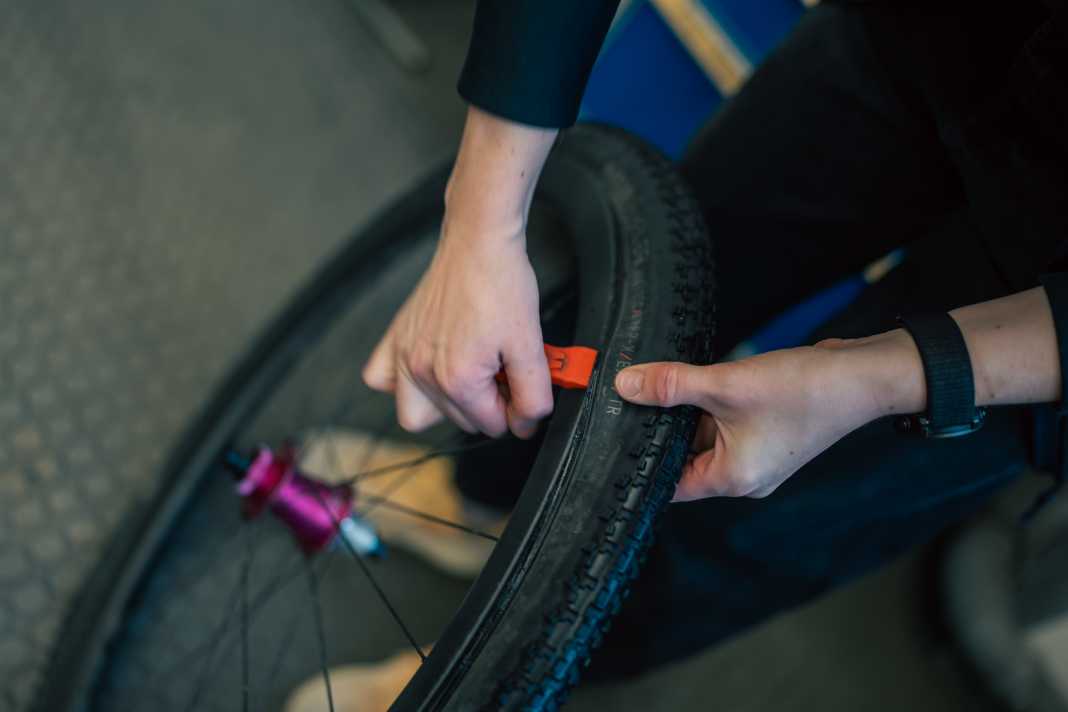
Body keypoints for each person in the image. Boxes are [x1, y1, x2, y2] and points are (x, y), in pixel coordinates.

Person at [289, 1, 1068, 709]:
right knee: (666, 284)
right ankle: (479, 499)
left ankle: (481, 682)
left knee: (781, 505)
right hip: (935, 34)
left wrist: (879, 381)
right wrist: (482, 221)